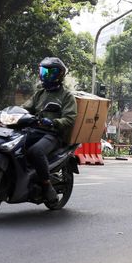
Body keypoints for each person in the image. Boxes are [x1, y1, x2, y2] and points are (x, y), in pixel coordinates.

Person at [22, 57, 77, 202]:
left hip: (53, 134)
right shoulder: (40, 93)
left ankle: (47, 186)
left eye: (50, 73)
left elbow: (70, 119)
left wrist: (53, 122)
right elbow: (25, 108)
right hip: (34, 130)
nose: (46, 76)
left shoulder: (66, 96)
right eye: (44, 72)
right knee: (14, 145)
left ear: (59, 75)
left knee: (36, 151)